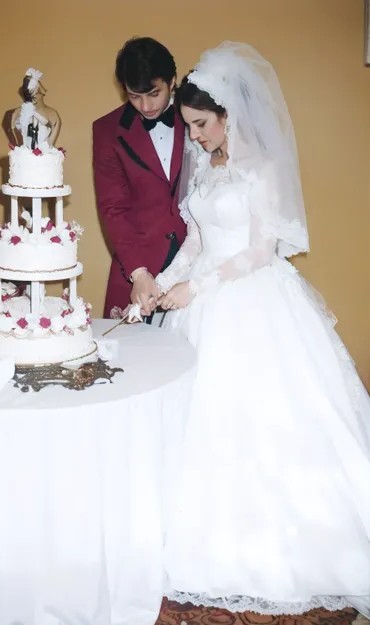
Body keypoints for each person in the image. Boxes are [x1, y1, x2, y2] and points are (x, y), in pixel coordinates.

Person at [155, 41, 370, 616]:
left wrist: (195, 288)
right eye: (190, 126)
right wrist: (160, 279)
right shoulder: (204, 166)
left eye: (201, 125)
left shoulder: (264, 170)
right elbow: (196, 241)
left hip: (250, 303)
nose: (194, 136)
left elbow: (259, 250)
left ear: (228, 114)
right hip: (199, 302)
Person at [93, 37, 187, 321]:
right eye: (134, 96)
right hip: (137, 270)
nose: (146, 106)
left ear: (172, 81)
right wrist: (138, 272)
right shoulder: (107, 130)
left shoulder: (198, 116)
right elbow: (113, 208)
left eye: (153, 93)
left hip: (195, 266)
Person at [11, 68, 60, 149]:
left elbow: (50, 143)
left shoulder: (52, 113)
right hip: (25, 157)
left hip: (44, 158)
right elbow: (16, 136)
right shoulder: (52, 113)